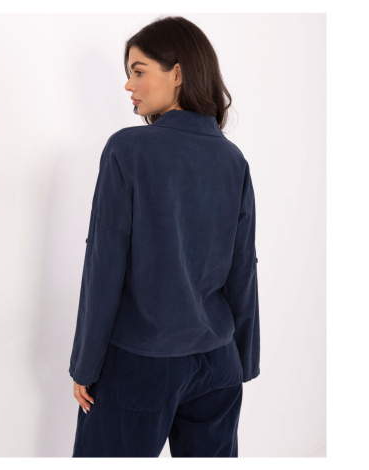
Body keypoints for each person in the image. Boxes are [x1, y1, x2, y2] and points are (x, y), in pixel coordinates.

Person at [69, 15, 260, 457]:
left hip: (140, 365)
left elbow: (104, 266)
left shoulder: (127, 149)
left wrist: (85, 365)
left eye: (138, 71)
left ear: (178, 73)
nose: (128, 85)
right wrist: (243, 360)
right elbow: (243, 269)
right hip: (218, 363)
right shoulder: (232, 160)